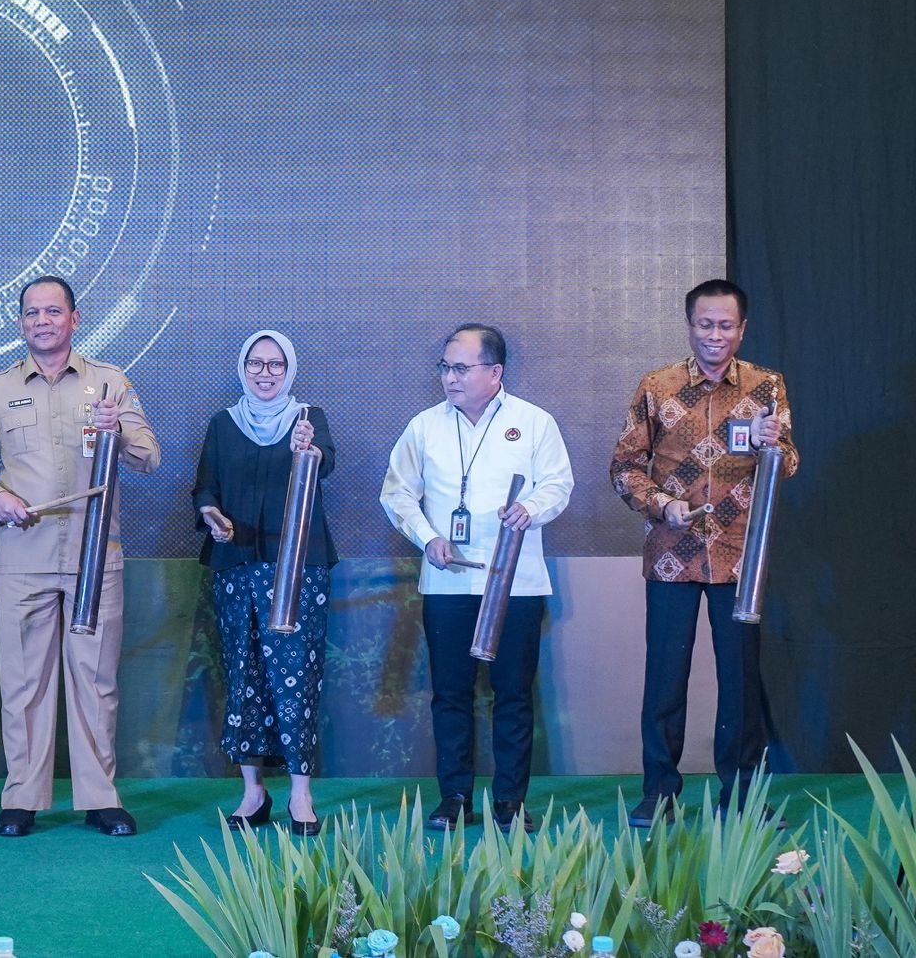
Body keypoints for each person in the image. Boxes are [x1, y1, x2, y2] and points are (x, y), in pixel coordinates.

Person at [0, 275, 161, 838]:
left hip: (95, 555)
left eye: (53, 311)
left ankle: (99, 797)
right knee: (24, 682)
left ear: (74, 318)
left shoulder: (110, 384)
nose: (42, 321)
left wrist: (120, 432)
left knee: (95, 681)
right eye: (32, 313)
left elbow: (148, 458)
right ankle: (22, 798)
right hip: (23, 557)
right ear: (21, 323)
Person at [609, 278, 799, 827]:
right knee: (665, 678)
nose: (715, 335)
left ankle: (741, 797)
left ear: (743, 329)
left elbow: (788, 463)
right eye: (705, 324)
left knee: (740, 681)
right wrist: (660, 504)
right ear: (689, 325)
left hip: (742, 557)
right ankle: (659, 793)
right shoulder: (658, 386)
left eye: (726, 325)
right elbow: (623, 468)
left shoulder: (767, 386)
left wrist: (771, 446)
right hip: (672, 553)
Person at [380, 323, 573, 834]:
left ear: (495, 372)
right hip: (447, 583)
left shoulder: (533, 422)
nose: (449, 377)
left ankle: (510, 799)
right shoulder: (424, 426)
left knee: (512, 693)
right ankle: (456, 797)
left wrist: (531, 508)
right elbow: (396, 492)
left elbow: (559, 483)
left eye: (460, 368)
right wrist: (428, 537)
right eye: (444, 366)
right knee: (450, 693)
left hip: (515, 582)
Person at [191, 330, 336, 836]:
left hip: (298, 569)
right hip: (235, 565)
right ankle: (253, 792)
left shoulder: (307, 418)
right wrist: (210, 513)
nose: (266, 373)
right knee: (244, 675)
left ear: (289, 369)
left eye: (276, 365)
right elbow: (204, 486)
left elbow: (325, 463)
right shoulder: (223, 423)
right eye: (256, 363)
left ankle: (300, 793)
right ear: (243, 367)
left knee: (296, 678)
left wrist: (308, 448)